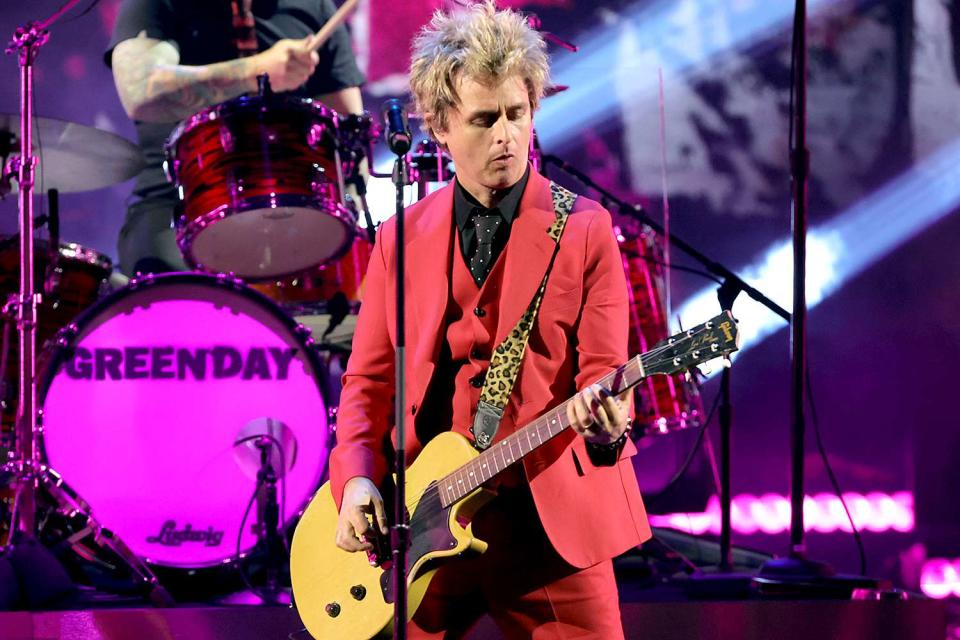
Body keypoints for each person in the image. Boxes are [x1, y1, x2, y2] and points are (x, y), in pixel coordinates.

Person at [328, 3, 651, 637]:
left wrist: (609, 427)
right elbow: (366, 387)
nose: (506, 135)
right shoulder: (399, 238)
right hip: (419, 519)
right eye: (484, 119)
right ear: (439, 127)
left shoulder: (584, 230)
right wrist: (357, 482)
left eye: (517, 113)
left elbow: (605, 372)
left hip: (546, 523)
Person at [105, 0, 365, 276]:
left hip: (300, 210)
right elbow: (140, 93)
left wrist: (349, 216)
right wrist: (256, 71)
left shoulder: (314, 6)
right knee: (174, 288)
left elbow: (351, 136)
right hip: (175, 208)